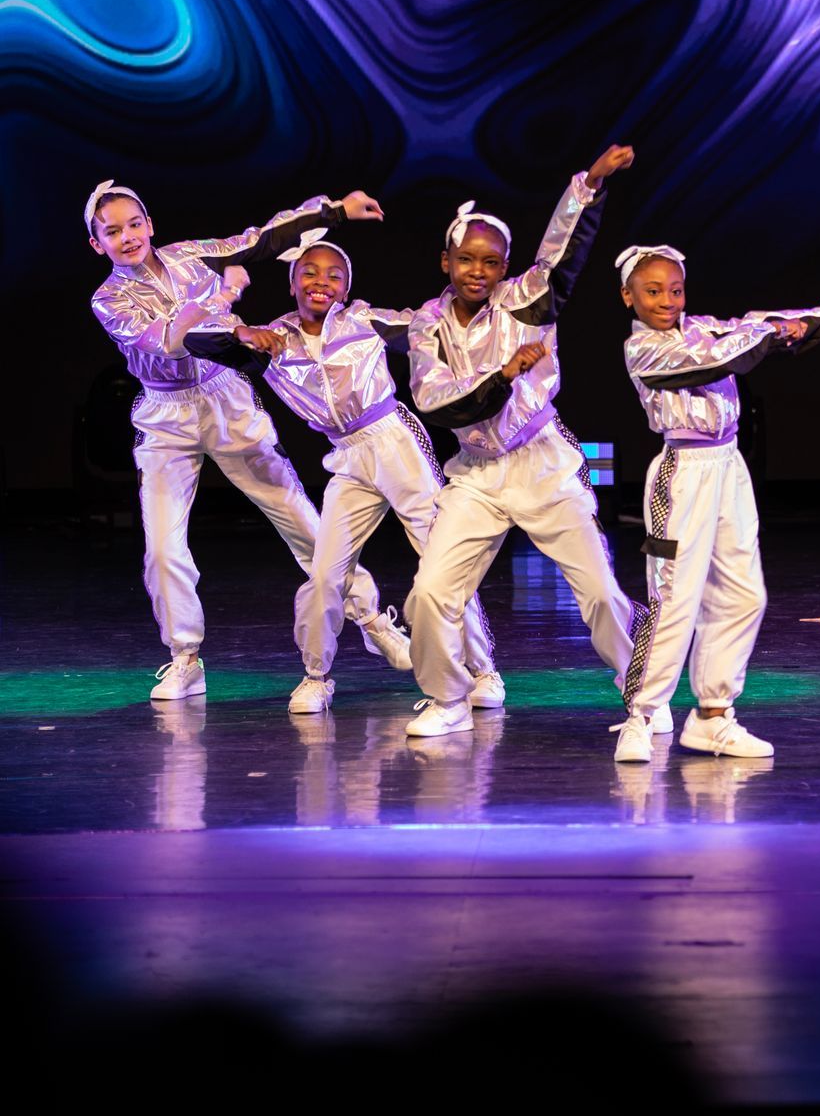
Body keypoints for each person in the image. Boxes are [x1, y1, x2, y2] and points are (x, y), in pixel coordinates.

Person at [87, 180, 407, 699]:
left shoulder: (192, 256)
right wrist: (227, 299)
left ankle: (373, 620)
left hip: (224, 399)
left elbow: (260, 240)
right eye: (112, 231)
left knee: (300, 518)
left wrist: (335, 211)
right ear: (97, 244)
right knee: (163, 546)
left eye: (134, 224)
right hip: (165, 415)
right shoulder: (108, 299)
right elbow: (171, 341)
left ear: (150, 224)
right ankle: (184, 658)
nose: (127, 237)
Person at [184, 229, 499, 713]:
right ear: (291, 283)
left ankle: (482, 670)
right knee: (326, 570)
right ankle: (317, 675)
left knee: (441, 555)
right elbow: (192, 339)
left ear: (346, 289)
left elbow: (429, 323)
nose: (320, 282)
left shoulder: (363, 321)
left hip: (394, 443)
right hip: (347, 458)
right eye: (308, 272)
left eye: (334, 275)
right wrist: (240, 331)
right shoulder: (275, 340)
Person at [616, 242, 820, 761]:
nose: (667, 300)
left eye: (675, 290)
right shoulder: (644, 349)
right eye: (653, 291)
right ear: (628, 296)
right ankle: (641, 714)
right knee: (674, 598)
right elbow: (721, 358)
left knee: (743, 594)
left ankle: (712, 716)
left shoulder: (704, 328)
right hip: (683, 472)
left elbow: (778, 321)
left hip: (729, 467)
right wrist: (766, 334)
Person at [401, 145, 638, 748]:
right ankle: (448, 696)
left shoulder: (525, 302)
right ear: (446, 260)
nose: (478, 271)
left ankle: (642, 693)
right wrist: (505, 375)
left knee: (601, 591)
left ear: (504, 266)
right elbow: (439, 403)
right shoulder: (427, 325)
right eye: (466, 260)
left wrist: (588, 185)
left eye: (491, 262)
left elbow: (563, 258)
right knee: (430, 593)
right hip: (476, 474)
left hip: (541, 464)